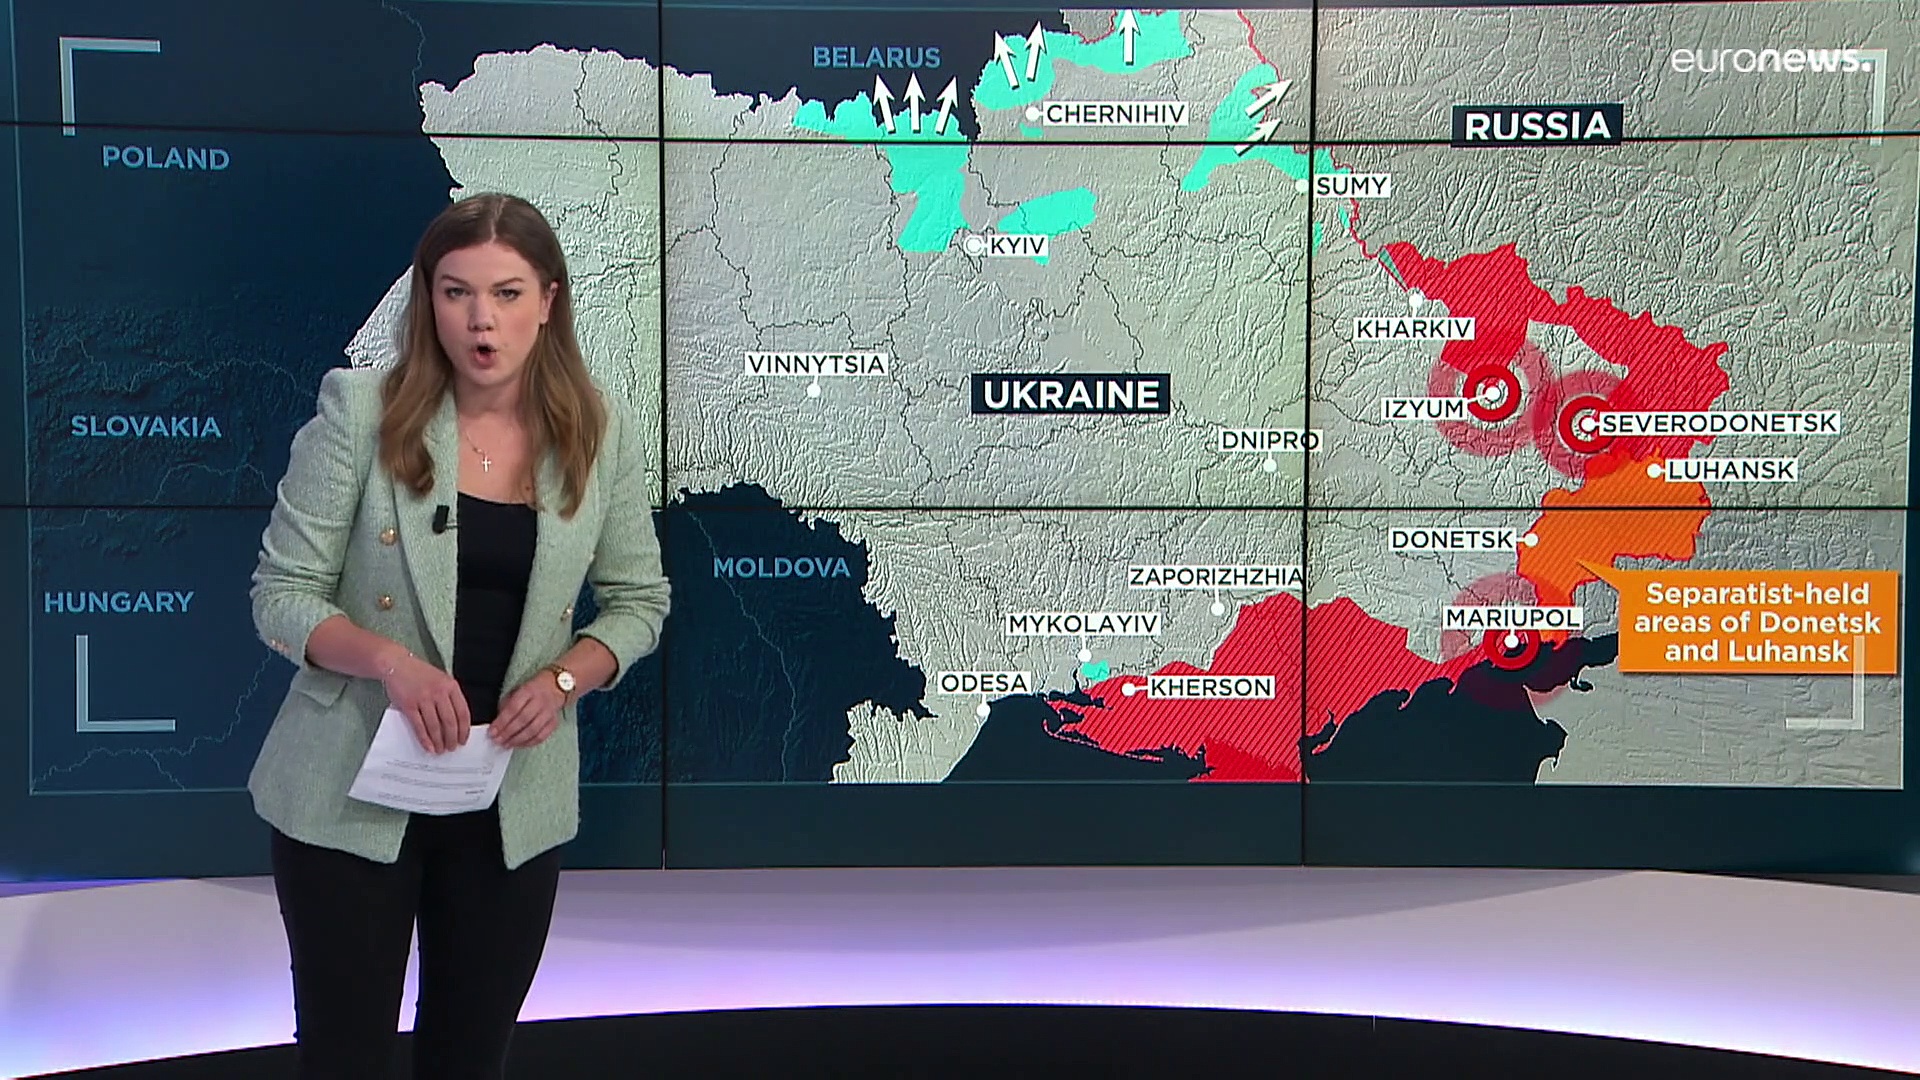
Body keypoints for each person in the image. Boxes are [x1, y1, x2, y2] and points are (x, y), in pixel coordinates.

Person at [247, 191, 670, 1079]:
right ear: (428, 301)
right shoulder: (361, 412)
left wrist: (564, 681)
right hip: (354, 790)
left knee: (470, 1059)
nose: (482, 320)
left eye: (507, 294)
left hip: (508, 799)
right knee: (345, 1060)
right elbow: (281, 595)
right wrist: (390, 663)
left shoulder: (598, 432)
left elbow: (639, 601)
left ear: (548, 301)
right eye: (457, 293)